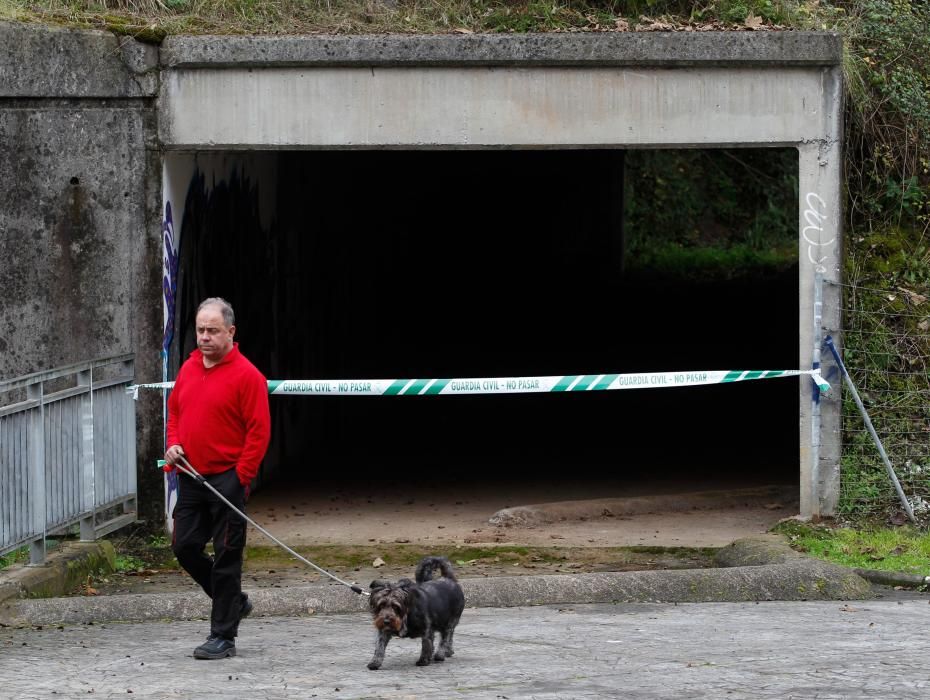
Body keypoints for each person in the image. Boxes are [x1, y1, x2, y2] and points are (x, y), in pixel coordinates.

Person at [164, 297, 271, 660]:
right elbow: (175, 411)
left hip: (227, 478)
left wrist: (240, 477)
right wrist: (173, 443)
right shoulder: (189, 368)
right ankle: (234, 602)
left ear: (230, 332)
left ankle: (222, 635)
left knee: (227, 557)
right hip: (191, 474)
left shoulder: (248, 376)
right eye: (200, 330)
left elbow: (259, 433)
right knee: (184, 547)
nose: (205, 337)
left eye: (212, 330)